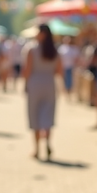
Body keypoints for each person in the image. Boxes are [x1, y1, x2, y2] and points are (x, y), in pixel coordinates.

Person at [23, 24, 62, 160]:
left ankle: (37, 148)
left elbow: (27, 70)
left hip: (35, 83)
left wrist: (25, 85)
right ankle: (48, 143)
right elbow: (59, 71)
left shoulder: (32, 50)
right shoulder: (55, 51)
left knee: (34, 115)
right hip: (50, 83)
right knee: (47, 116)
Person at [57, 36, 81, 101]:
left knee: (70, 81)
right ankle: (66, 93)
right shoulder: (62, 48)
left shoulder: (73, 48)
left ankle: (69, 93)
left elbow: (76, 58)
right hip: (64, 67)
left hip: (71, 67)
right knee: (64, 80)